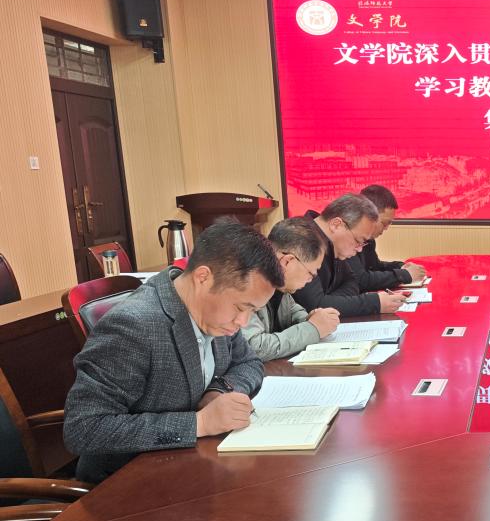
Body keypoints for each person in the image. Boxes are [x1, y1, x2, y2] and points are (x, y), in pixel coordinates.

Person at [64, 221, 283, 483]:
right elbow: (84, 429)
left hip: (194, 466)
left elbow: (249, 363)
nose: (243, 322)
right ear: (203, 278)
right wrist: (199, 423)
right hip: (129, 482)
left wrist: (218, 391)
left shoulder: (218, 315)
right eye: (241, 307)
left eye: (252, 311)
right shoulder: (134, 325)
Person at [242, 216, 340, 361]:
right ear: (287, 262)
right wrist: (313, 329)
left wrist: (311, 319)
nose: (310, 280)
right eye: (311, 273)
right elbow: (255, 347)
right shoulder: (246, 281)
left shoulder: (282, 287)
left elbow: (293, 312)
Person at [294, 193, 407, 316]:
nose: (359, 250)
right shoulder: (299, 241)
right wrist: (374, 302)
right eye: (358, 241)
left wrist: (331, 300)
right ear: (336, 225)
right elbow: (315, 307)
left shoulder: (333, 242)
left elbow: (352, 282)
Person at [353, 184, 427, 288]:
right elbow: (362, 280)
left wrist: (401, 266)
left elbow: (375, 267)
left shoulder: (368, 240)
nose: (386, 228)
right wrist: (404, 275)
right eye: (384, 223)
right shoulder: (346, 240)